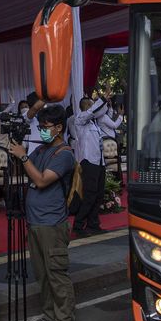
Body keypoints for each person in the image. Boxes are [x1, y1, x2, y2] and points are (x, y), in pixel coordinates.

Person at [9, 104, 77, 321]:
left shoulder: (64, 154)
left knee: (56, 273)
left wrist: (23, 156)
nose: (42, 131)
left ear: (59, 128)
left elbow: (40, 180)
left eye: (46, 127)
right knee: (42, 274)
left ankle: (66, 320)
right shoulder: (40, 151)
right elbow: (27, 169)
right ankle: (50, 316)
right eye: (40, 127)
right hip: (35, 221)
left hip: (52, 223)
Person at [69, 91, 112, 236]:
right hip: (88, 162)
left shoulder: (95, 123)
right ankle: (78, 225)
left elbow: (102, 111)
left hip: (99, 162)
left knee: (98, 195)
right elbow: (92, 112)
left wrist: (106, 101)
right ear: (85, 106)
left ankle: (93, 224)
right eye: (91, 104)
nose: (94, 105)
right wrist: (102, 99)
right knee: (89, 195)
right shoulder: (80, 119)